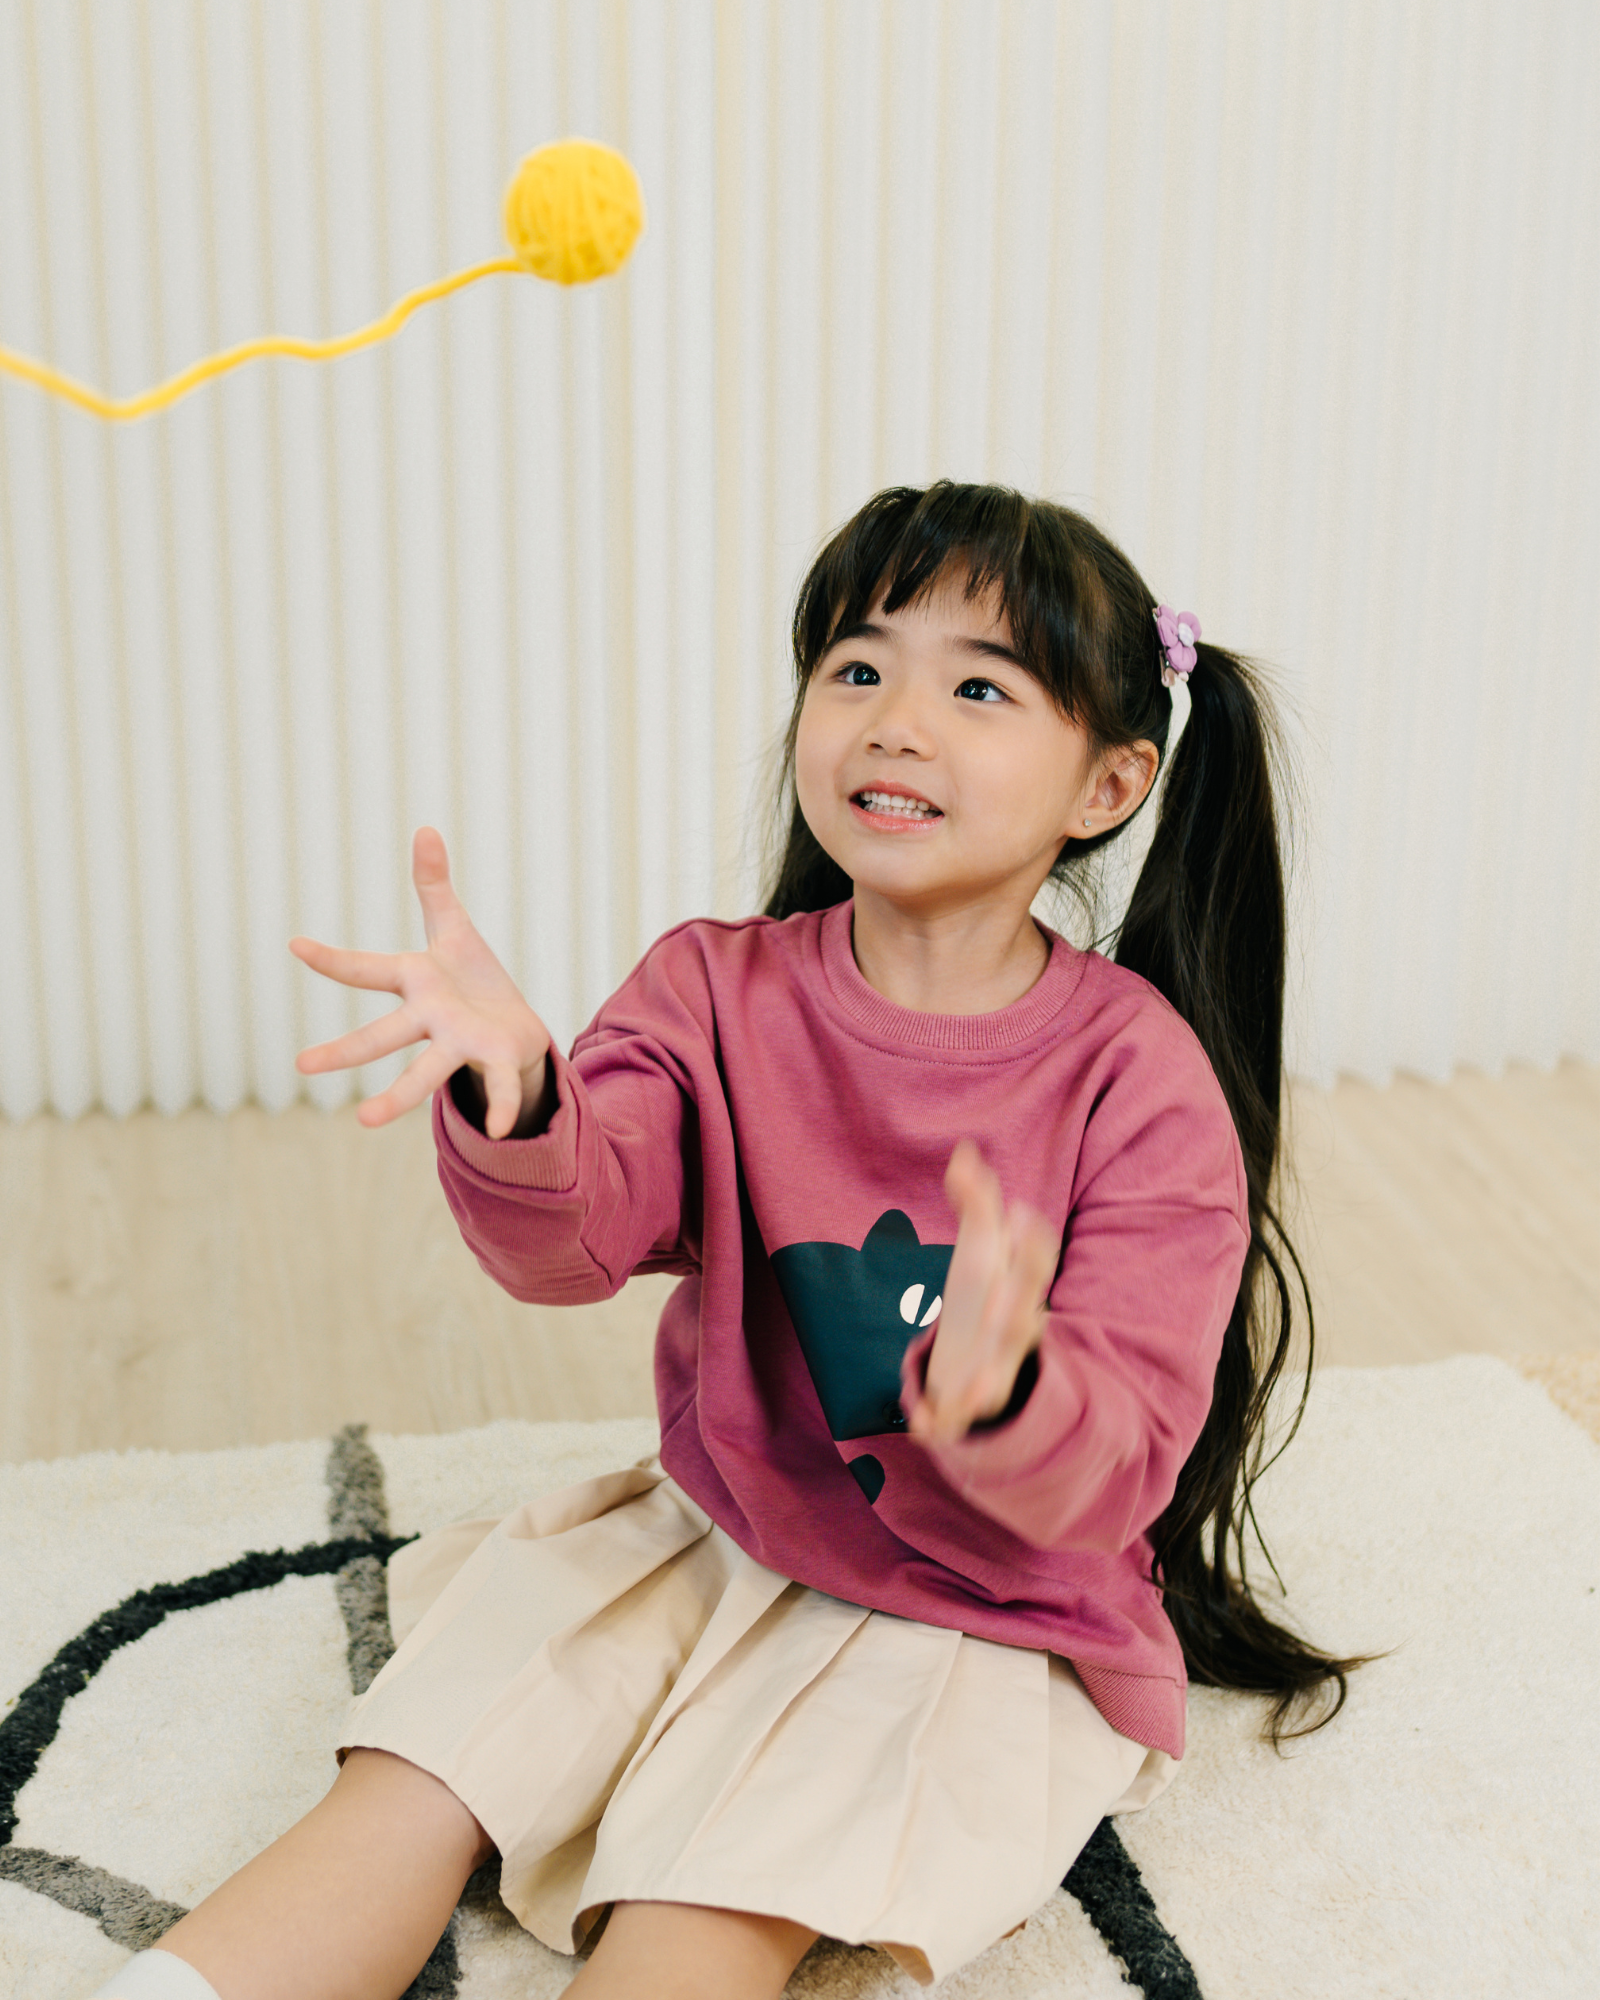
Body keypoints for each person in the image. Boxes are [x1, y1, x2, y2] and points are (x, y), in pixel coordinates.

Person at [94, 481, 1360, 2000]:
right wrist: (517, 1095)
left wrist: (1012, 1391)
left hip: (968, 1615)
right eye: (856, 668)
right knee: (416, 1777)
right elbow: (575, 1237)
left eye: (977, 686)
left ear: (1107, 784)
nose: (895, 719)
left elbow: (1125, 1457)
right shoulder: (712, 988)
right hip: (712, 1527)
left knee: (697, 1907)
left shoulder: (1139, 1079)